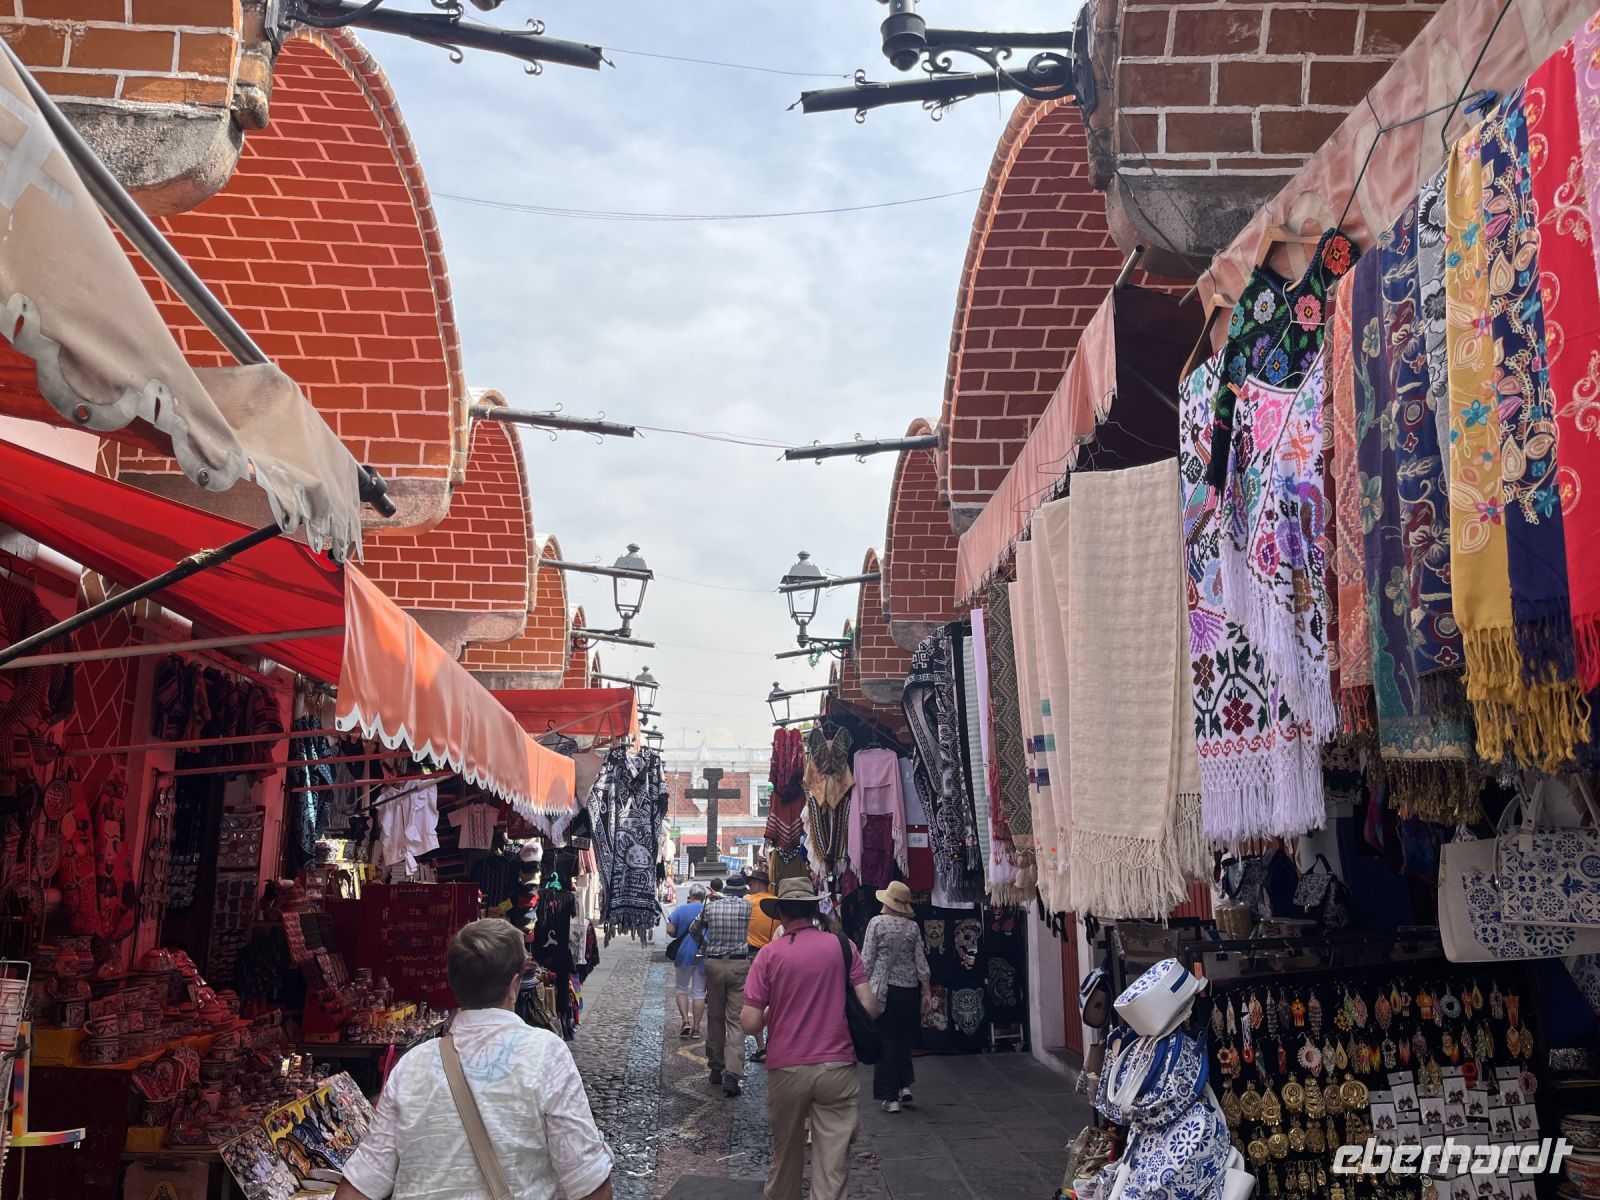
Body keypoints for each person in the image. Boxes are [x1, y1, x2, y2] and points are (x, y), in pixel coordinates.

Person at [334, 918, 613, 1200]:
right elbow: (589, 1182)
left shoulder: (411, 1066)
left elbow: (360, 1185)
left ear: (454, 986)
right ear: (514, 986)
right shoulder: (546, 1055)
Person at [740, 878, 878, 1200]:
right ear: (814, 911)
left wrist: (775, 1009)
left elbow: (749, 1023)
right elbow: (870, 1008)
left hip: (787, 1066)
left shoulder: (768, 955)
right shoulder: (843, 946)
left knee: (785, 1154)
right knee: (832, 1164)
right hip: (837, 1065)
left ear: (781, 914)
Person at [860, 881, 930, 1113]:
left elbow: (867, 960)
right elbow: (920, 962)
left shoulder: (876, 923)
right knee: (902, 1039)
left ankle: (890, 1097)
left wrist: (861, 988)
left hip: (884, 990)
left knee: (886, 1041)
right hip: (909, 990)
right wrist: (927, 991)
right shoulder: (912, 927)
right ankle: (904, 1084)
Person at [700, 878, 754, 1097]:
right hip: (739, 965)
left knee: (715, 1017)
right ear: (742, 891)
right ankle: (732, 1073)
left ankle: (715, 1068)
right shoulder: (747, 906)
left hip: (714, 964)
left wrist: (708, 944)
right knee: (735, 1020)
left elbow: (695, 928)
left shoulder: (711, 907)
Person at [743, 868, 780, 1064]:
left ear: (757, 884)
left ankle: (761, 1047)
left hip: (754, 956)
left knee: (755, 1002)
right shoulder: (777, 904)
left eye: (751, 884)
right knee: (774, 1001)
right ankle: (774, 1042)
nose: (749, 888)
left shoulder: (748, 902)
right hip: (776, 956)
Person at [666, 883, 708, 1039]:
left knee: (681, 989)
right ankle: (696, 1028)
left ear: (690, 896)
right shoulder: (708, 910)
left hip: (683, 953)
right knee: (699, 992)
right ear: (704, 897)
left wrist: (678, 934)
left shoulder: (681, 909)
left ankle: (685, 1021)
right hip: (702, 953)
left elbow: (670, 930)